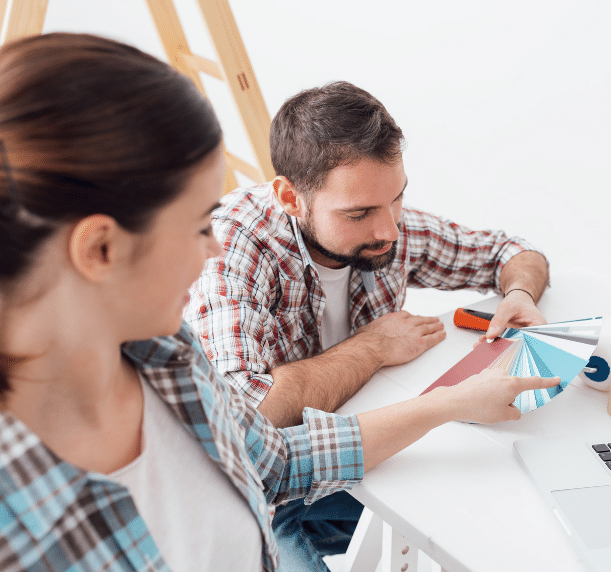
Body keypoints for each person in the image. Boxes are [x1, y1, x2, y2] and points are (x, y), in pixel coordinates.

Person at [0, 33, 557, 572]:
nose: (212, 250)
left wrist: (450, 404)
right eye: (200, 222)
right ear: (100, 249)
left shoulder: (163, 360)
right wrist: (377, 353)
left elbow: (278, 460)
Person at [185, 81, 553, 569]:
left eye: (397, 199)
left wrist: (519, 293)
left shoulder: (382, 221)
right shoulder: (233, 250)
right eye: (359, 213)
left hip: (356, 459)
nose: (389, 231)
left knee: (501, 514)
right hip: (253, 494)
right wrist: (373, 348)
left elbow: (512, 252)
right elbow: (258, 423)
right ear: (291, 198)